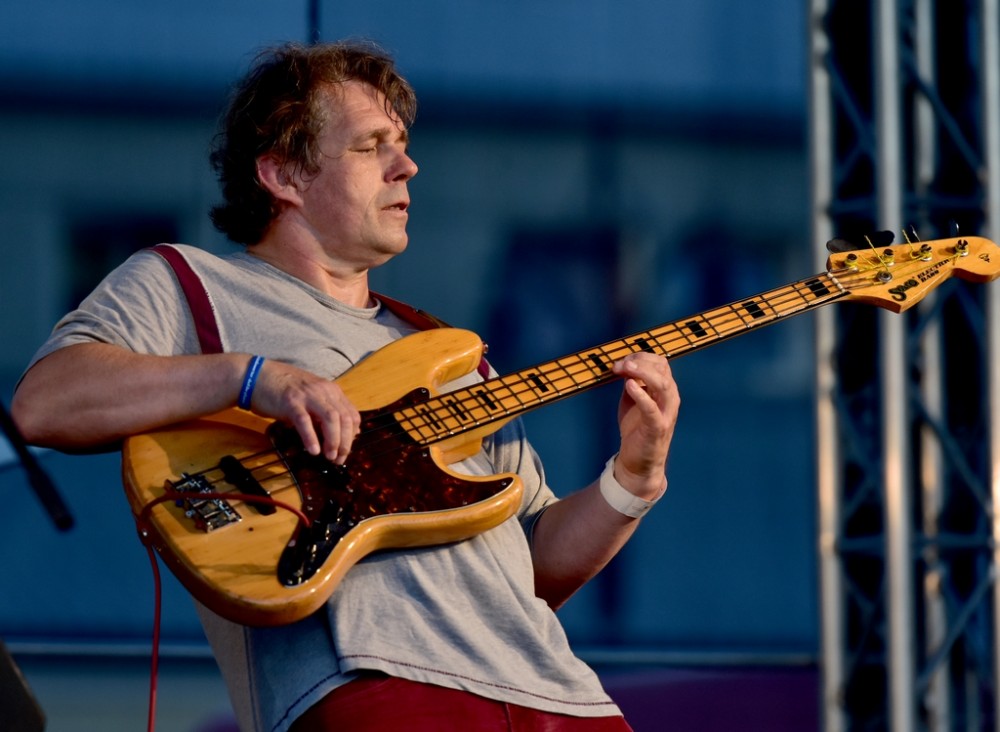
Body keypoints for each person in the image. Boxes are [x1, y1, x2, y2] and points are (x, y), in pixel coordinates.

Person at [11, 41, 680, 732]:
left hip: (567, 698)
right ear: (282, 174)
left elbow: (533, 568)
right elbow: (45, 402)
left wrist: (633, 478)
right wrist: (252, 377)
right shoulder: (190, 283)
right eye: (371, 146)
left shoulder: (448, 351)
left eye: (403, 144)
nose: (407, 165)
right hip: (377, 688)